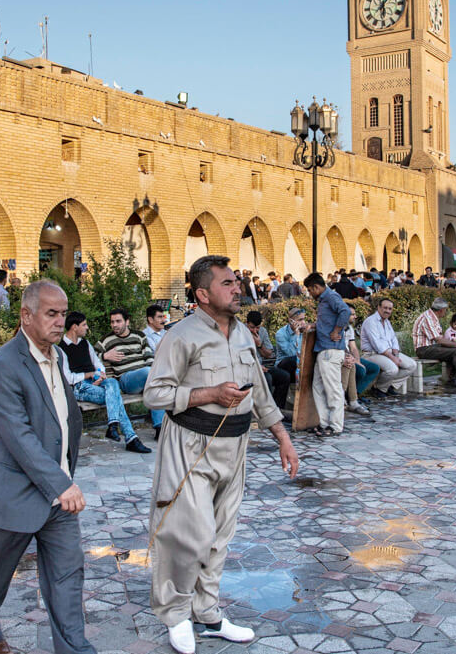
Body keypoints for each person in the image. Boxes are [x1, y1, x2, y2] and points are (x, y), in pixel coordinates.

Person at [144, 255, 298, 654]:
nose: (237, 289)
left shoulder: (244, 334)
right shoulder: (181, 336)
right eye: (228, 283)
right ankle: (176, 614)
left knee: (220, 537)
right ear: (202, 294)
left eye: (236, 282)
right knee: (187, 535)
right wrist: (209, 394)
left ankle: (207, 613)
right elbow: (155, 394)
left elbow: (260, 392)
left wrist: (282, 436)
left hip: (236, 446)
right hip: (190, 446)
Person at [0, 281, 95, 654]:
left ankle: (74, 650)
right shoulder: (3, 366)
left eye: (63, 313)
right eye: (51, 314)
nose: (59, 322)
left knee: (67, 580)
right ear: (26, 315)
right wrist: (60, 483)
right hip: (13, 495)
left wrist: (63, 477)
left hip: (58, 499)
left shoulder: (59, 357)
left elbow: (62, 419)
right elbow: (18, 436)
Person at [59, 312, 151, 454]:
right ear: (74, 327)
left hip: (96, 382)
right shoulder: (61, 349)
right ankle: (130, 438)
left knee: (112, 382)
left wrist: (100, 375)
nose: (87, 327)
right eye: (84, 325)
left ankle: (114, 425)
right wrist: (88, 375)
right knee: (115, 397)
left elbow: (98, 363)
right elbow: (68, 377)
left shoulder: (85, 343)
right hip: (80, 387)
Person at [100, 308, 165, 438]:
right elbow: (92, 356)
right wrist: (104, 355)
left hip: (145, 379)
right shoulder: (107, 340)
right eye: (112, 322)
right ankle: (160, 427)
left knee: (154, 385)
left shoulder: (139, 336)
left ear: (127, 322)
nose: (114, 325)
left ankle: (160, 429)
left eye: (118, 321)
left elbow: (149, 357)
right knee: (151, 375)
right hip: (126, 380)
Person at [303, 272, 350, 436]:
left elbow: (345, 312)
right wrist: (314, 326)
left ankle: (335, 425)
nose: (310, 293)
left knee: (332, 388)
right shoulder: (325, 299)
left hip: (331, 349)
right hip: (322, 348)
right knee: (318, 387)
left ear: (316, 287)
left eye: (310, 290)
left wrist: (337, 330)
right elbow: (328, 320)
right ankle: (324, 423)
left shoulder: (331, 297)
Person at [359, 297, 416, 395]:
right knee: (392, 369)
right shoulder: (370, 322)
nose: (387, 311)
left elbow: (394, 340)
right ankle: (379, 389)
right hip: (371, 354)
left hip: (388, 353)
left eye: (390, 309)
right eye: (385, 308)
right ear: (379, 307)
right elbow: (377, 345)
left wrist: (396, 354)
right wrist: (392, 358)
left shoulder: (387, 322)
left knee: (411, 365)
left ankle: (390, 385)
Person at [245, 310, 292, 412]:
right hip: (247, 368)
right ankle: (266, 412)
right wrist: (256, 366)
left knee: (284, 376)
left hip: (262, 367)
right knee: (267, 378)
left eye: (257, 327)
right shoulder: (240, 332)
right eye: (252, 327)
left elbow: (268, 354)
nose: (255, 331)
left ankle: (278, 409)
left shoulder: (262, 331)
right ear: (247, 323)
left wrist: (259, 345)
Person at [341, 307, 378, 416]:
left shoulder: (349, 329)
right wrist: (350, 359)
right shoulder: (335, 328)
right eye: (352, 314)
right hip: (338, 356)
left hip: (347, 355)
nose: (355, 316)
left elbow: (353, 347)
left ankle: (354, 397)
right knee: (357, 369)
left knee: (373, 368)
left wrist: (356, 360)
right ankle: (345, 399)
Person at [273, 307, 306, 399]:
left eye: (304, 319)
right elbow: (290, 353)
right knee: (293, 359)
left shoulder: (304, 331)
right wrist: (296, 335)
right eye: (300, 320)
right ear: (291, 321)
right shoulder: (281, 333)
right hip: (284, 365)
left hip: (300, 364)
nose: (303, 322)